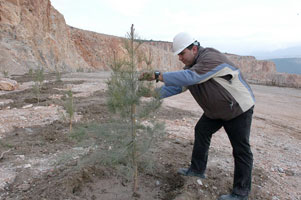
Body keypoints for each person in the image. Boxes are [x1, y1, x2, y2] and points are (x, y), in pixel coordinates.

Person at [139, 32, 255, 200]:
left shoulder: (211, 58)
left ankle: (241, 192)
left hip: (237, 109)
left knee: (241, 149)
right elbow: (178, 86)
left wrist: (158, 75)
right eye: (178, 54)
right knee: (202, 130)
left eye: (181, 53)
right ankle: (197, 170)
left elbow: (192, 77)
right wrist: (151, 94)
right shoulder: (192, 67)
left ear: (194, 48)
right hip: (216, 111)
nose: (179, 58)